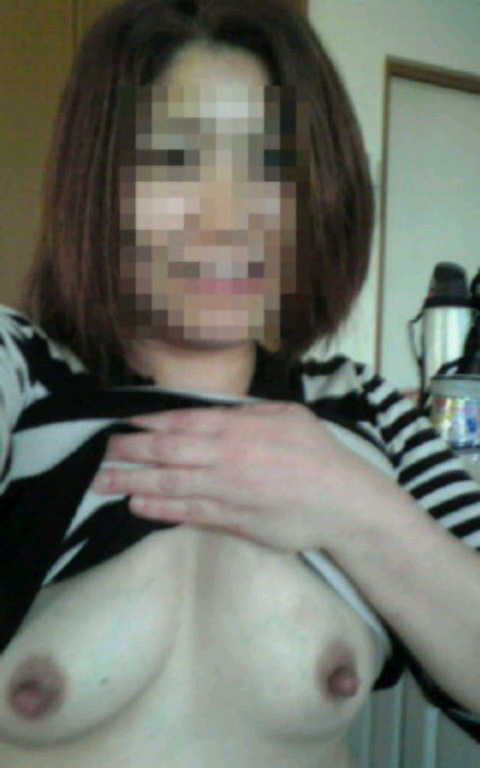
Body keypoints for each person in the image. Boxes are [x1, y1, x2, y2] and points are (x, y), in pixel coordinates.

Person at [0, 0, 478, 765]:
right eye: (174, 159)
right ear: (101, 186)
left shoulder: (365, 411)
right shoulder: (24, 380)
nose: (226, 219)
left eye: (269, 165)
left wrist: (350, 505)